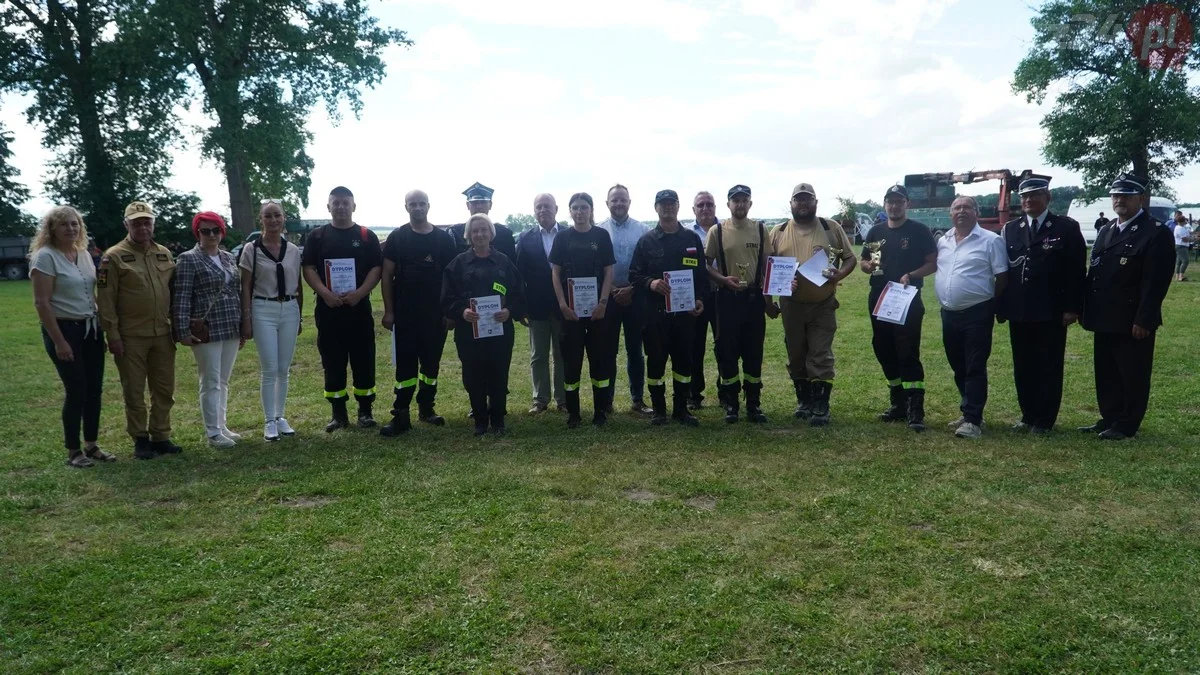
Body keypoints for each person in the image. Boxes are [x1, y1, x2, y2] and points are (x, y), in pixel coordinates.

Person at [1078, 174, 1175, 440]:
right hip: (1104, 316)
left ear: (1141, 199)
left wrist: (1145, 318)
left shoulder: (1155, 232)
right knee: (1106, 372)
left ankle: (1127, 423)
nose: (1119, 200)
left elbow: (1155, 282)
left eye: (1126, 196)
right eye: (1115, 196)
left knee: (1132, 372)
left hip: (1132, 318)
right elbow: (1095, 273)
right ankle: (1110, 417)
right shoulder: (1108, 229)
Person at [995, 177, 1086, 433]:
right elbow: (1005, 271)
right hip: (1020, 310)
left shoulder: (1065, 228)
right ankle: (1028, 414)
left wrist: (1072, 307)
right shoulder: (1011, 228)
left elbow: (1076, 271)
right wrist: (1001, 306)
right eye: (1024, 197)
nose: (1028, 201)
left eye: (1034, 195)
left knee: (1048, 364)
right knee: (1023, 364)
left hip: (1051, 310)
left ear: (1048, 198)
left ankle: (1045, 419)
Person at [765, 182, 857, 426]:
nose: (803, 204)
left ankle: (821, 405)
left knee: (820, 354)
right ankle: (804, 401)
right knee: (796, 355)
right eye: (799, 199)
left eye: (808, 199)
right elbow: (769, 269)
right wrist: (770, 299)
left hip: (822, 304)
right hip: (791, 306)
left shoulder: (830, 228)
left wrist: (839, 274)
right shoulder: (779, 231)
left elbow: (850, 258)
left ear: (816, 203)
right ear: (791, 204)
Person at [30, 206, 115, 467]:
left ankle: (91, 445)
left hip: (91, 328)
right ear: (52, 229)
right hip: (65, 329)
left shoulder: (83, 254)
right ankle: (73, 451)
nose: (71, 229)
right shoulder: (45, 257)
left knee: (94, 390)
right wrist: (59, 341)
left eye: (75, 224)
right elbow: (42, 303)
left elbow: (94, 289)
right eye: (65, 224)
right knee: (76, 389)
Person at [97, 201, 183, 459]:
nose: (143, 227)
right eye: (136, 223)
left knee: (164, 388)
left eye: (147, 222)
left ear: (153, 224)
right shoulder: (112, 257)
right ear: (127, 225)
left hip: (162, 334)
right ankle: (140, 438)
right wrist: (112, 335)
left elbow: (173, 293)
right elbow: (105, 300)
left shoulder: (164, 254)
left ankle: (161, 435)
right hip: (130, 335)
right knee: (134, 390)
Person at [301, 186, 383, 432]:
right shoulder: (317, 236)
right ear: (328, 206)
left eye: (345, 203)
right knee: (332, 360)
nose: (340, 207)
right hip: (329, 310)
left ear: (354, 206)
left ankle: (365, 412)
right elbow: (309, 269)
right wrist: (325, 294)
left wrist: (360, 293)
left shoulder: (366, 236)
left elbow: (376, 269)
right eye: (335, 203)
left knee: (364, 359)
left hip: (358, 309)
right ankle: (338, 414)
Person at [379, 190, 457, 436]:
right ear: (406, 207)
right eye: (413, 204)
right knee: (405, 368)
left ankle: (427, 408)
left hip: (436, 315)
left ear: (429, 206)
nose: (418, 208)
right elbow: (386, 275)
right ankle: (401, 414)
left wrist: (450, 312)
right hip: (405, 315)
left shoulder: (443, 240)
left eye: (422, 203)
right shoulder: (397, 237)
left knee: (431, 365)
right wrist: (389, 311)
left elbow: (452, 278)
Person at [860, 185, 938, 432]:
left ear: (907, 204)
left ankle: (915, 409)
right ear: (884, 205)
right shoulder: (876, 230)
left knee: (907, 351)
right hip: (879, 296)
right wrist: (867, 267)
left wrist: (911, 275)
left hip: (907, 298)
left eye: (899, 201)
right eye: (890, 202)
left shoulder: (919, 231)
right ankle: (898, 403)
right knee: (882, 348)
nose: (894, 206)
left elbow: (932, 263)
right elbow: (864, 260)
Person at [442, 214, 527, 436]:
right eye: (475, 231)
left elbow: (519, 293)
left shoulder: (504, 262)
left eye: (484, 230)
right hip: (468, 331)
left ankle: (498, 419)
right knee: (473, 374)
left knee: (499, 373)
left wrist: (510, 311)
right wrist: (462, 311)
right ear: (468, 235)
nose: (480, 234)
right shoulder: (458, 264)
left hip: (500, 330)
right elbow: (446, 298)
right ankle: (480, 419)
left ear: (491, 234)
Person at [628, 189, 706, 426]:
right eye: (663, 204)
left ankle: (681, 409)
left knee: (684, 362)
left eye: (672, 203)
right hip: (655, 315)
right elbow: (634, 275)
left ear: (678, 206)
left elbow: (701, 275)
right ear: (656, 208)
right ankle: (660, 410)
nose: (668, 207)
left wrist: (700, 299)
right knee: (656, 362)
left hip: (684, 314)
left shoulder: (691, 239)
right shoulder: (646, 241)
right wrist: (650, 283)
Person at [934, 196, 1009, 439]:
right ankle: (969, 410)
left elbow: (1002, 277)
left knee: (975, 365)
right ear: (950, 213)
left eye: (967, 207)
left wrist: (992, 305)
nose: (962, 211)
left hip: (977, 312)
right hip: (949, 314)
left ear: (977, 212)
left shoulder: (991, 241)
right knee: (958, 365)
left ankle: (973, 420)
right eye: (957, 207)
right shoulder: (943, 241)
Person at [173, 212, 244, 448]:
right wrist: (182, 330)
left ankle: (222, 425)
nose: (211, 235)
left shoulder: (227, 258)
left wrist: (243, 324)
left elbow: (236, 291)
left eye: (216, 230)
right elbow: (182, 296)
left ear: (222, 232)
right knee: (210, 380)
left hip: (230, 325)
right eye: (206, 231)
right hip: (206, 328)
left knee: (223, 380)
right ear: (198, 233)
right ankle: (213, 432)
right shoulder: (188, 259)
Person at [550, 192, 617, 428]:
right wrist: (562, 305)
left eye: (584, 207)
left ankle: (600, 412)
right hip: (570, 313)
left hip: (598, 312)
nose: (579, 212)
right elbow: (555, 273)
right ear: (570, 211)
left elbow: (609, 271)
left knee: (600, 361)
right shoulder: (562, 238)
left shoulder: (601, 235)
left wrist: (603, 303)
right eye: (575, 208)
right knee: (572, 363)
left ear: (591, 210)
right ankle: (574, 413)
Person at [239, 199, 303, 441]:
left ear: (284, 217)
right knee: (270, 368)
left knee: (283, 369)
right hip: (262, 307)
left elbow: (298, 285)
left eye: (277, 215)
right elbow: (245, 286)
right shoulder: (251, 249)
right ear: (261, 220)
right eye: (268, 216)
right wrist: (246, 318)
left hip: (288, 308)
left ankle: (280, 415)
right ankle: (268, 420)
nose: (274, 220)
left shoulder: (294, 250)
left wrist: (299, 315)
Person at [705, 185, 768, 424]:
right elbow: (704, 264)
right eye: (736, 201)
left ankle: (754, 404)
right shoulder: (717, 231)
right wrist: (722, 280)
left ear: (750, 204)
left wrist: (768, 291)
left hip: (753, 300)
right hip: (726, 300)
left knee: (753, 352)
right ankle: (731, 404)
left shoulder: (761, 229)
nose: (740, 205)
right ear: (728, 204)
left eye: (744, 200)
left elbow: (767, 264)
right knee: (727, 352)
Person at [598, 184, 652, 415]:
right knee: (608, 351)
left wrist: (631, 289)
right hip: (607, 298)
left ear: (630, 202)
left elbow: (649, 265)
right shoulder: (598, 231)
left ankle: (637, 400)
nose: (619, 204)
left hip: (636, 297)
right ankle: (606, 401)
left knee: (635, 350)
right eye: (614, 200)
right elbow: (594, 267)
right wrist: (610, 290)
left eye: (623, 200)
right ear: (607, 203)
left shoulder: (642, 230)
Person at [516, 193, 567, 414]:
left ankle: (563, 399)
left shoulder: (569, 234)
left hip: (564, 305)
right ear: (534, 211)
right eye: (539, 207)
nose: (543, 210)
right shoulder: (525, 238)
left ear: (556, 208)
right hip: (536, 306)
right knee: (538, 355)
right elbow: (519, 275)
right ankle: (540, 399)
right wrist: (521, 307)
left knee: (561, 353)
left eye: (547, 206)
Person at [687, 191, 719, 410]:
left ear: (716, 207)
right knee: (694, 347)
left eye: (709, 204)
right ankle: (694, 394)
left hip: (722, 294)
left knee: (724, 345)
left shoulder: (726, 229)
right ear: (694, 209)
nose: (705, 208)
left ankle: (726, 392)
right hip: (695, 295)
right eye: (701, 205)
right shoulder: (686, 233)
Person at [450, 182, 518, 261]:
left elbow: (511, 266)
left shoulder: (504, 234)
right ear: (468, 205)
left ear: (490, 205)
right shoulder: (456, 233)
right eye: (474, 203)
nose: (479, 207)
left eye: (483, 202)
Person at [1173, 211, 1193, 281]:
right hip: (1181, 246)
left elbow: (1188, 233)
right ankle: (1181, 276)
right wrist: (1194, 239)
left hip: (1180, 246)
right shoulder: (1179, 228)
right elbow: (1185, 239)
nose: (1186, 222)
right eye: (1185, 220)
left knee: (1179, 262)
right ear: (1182, 221)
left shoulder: (1181, 227)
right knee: (1186, 261)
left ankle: (1177, 276)